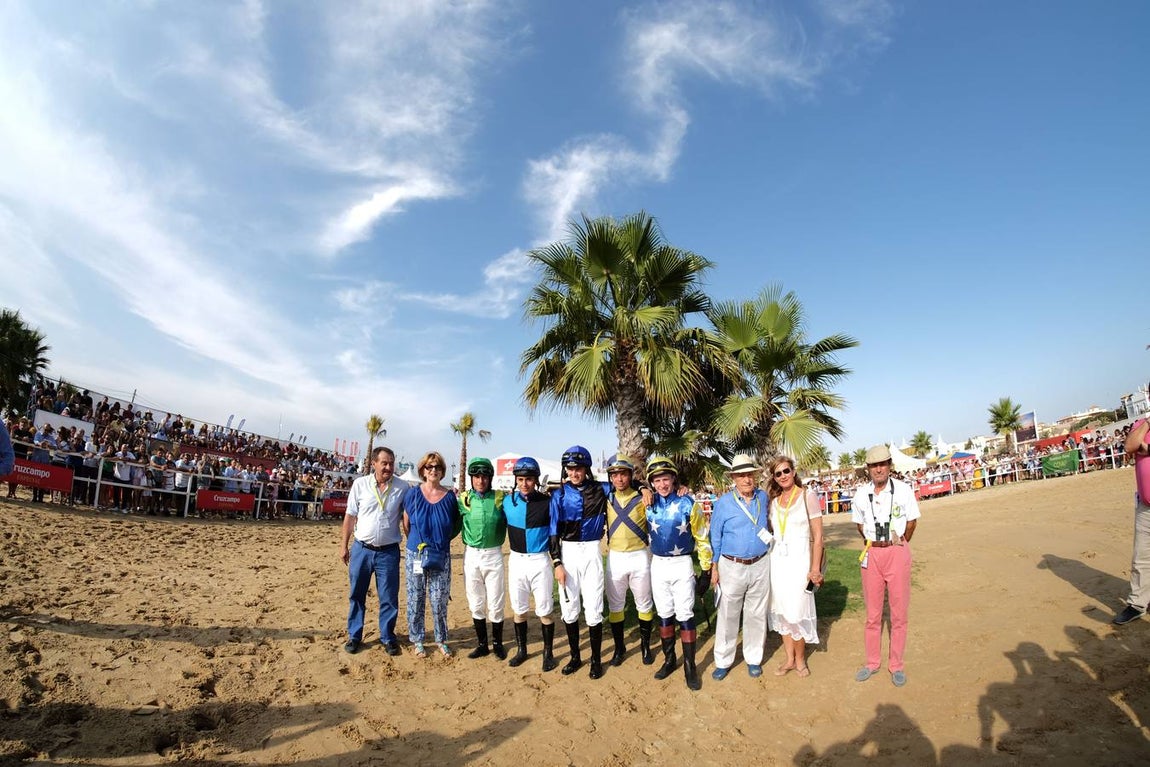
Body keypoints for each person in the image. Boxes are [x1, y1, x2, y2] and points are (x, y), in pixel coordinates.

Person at [851, 444, 921, 687]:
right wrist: (875, 543)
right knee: (873, 614)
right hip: (872, 552)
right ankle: (872, 662)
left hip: (896, 550)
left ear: (889, 465)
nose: (878, 469)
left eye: (882, 464)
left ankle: (896, 664)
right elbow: (859, 525)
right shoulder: (861, 494)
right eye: (874, 465)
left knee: (898, 613)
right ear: (868, 468)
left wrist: (898, 543)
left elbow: (911, 522)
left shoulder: (903, 490)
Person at [645, 455, 712, 691]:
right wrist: (642, 489)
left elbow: (702, 537)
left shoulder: (688, 503)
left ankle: (690, 666)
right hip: (658, 564)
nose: (662, 484)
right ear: (651, 483)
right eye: (657, 480)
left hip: (682, 563)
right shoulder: (647, 502)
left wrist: (706, 570)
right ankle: (669, 659)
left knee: (685, 614)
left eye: (666, 479)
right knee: (664, 614)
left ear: (674, 479)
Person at [340, 446, 409, 655]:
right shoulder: (360, 485)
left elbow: (407, 519)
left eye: (391, 463)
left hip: (388, 552)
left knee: (389, 597)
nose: (388, 467)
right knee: (357, 594)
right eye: (384, 463)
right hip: (361, 549)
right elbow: (350, 516)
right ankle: (354, 635)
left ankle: (388, 637)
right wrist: (344, 546)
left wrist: (413, 545)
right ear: (374, 463)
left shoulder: (403, 487)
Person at [709, 453, 772, 680]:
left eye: (750, 475)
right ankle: (723, 660)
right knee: (728, 614)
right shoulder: (723, 503)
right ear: (734, 478)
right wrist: (714, 566)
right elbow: (715, 536)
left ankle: (753, 658)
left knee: (756, 613)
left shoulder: (763, 497)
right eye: (742, 475)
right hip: (732, 565)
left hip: (760, 562)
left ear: (755, 476)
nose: (747, 479)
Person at [550, 445, 609, 679]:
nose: (574, 473)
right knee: (569, 607)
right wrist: (557, 563)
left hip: (592, 551)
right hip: (568, 553)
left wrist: (644, 487)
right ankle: (575, 657)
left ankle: (596, 660)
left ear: (586, 469)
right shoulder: (559, 495)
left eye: (579, 469)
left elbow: (626, 483)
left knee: (594, 607)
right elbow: (553, 531)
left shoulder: (601, 489)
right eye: (570, 468)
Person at [766, 455, 823, 677]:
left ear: (793, 471)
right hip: (778, 563)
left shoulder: (808, 496)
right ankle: (789, 658)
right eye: (778, 473)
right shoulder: (773, 502)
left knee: (798, 611)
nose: (783, 476)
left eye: (786, 471)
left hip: (800, 563)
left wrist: (815, 568)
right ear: (774, 477)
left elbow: (818, 536)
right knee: (782, 612)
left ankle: (800, 659)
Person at [502, 456, 558, 671]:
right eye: (520, 479)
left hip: (539, 560)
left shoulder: (547, 501)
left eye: (529, 479)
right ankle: (521, 650)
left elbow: (554, 533)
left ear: (536, 480)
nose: (524, 484)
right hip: (516, 560)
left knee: (545, 611)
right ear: (515, 480)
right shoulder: (507, 501)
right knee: (519, 610)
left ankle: (548, 654)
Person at [402, 451, 460, 657]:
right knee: (416, 596)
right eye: (429, 467)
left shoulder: (450, 498)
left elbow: (455, 526)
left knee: (439, 599)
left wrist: (440, 541)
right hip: (416, 555)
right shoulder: (412, 494)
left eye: (437, 467)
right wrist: (418, 544)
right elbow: (406, 524)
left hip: (440, 555)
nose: (433, 470)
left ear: (442, 471)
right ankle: (417, 638)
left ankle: (441, 638)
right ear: (423, 471)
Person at [603, 453, 656, 667]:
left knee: (644, 603)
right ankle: (619, 648)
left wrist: (644, 487)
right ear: (610, 477)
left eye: (623, 474)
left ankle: (645, 646)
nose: (619, 479)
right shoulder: (606, 496)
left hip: (639, 556)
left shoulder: (644, 497)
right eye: (615, 475)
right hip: (615, 557)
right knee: (615, 605)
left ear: (630, 475)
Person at [458, 457, 508, 658]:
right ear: (471, 478)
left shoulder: (500, 498)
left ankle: (497, 644)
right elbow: (451, 523)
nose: (480, 481)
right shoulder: (464, 499)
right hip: (472, 555)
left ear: (490, 478)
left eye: (484, 477)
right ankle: (482, 644)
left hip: (494, 555)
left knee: (496, 601)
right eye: (476, 477)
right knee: (476, 601)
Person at [1114, 417, 1150, 625]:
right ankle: (1137, 603)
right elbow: (1130, 446)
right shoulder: (1141, 424)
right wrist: (1148, 423)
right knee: (1141, 558)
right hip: (1146, 506)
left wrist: (1147, 448)